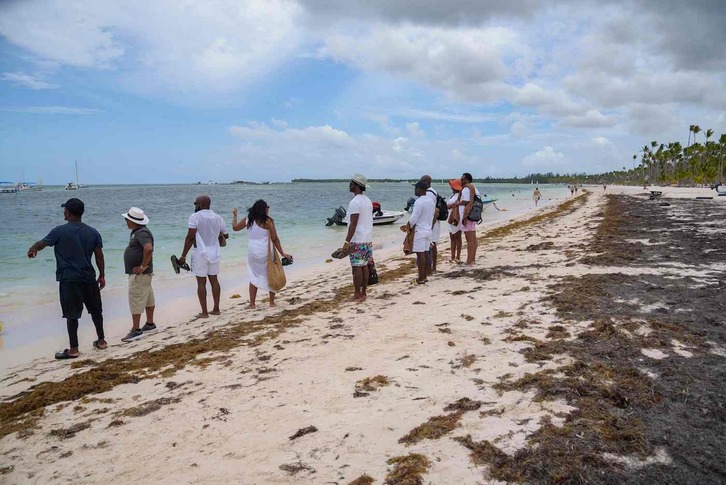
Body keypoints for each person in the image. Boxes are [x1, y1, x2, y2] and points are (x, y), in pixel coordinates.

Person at [27, 198, 107, 359]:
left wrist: (33, 249)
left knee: (72, 315)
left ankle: (74, 349)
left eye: (65, 210)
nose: (64, 212)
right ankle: (101, 341)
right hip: (89, 278)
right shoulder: (93, 232)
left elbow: (43, 243)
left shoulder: (59, 231)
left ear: (68, 213)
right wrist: (102, 275)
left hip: (69, 279)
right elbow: (99, 256)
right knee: (96, 311)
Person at [232, 200, 292, 309]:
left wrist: (235, 216)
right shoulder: (268, 221)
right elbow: (275, 239)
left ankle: (252, 303)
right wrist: (282, 253)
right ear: (264, 209)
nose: (268, 209)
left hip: (253, 252)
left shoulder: (248, 219)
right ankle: (272, 302)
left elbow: (235, 228)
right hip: (266, 251)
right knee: (271, 274)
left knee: (253, 276)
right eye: (267, 207)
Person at [178, 195, 228, 318]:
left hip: (200, 252)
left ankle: (204, 312)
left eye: (196, 203)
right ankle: (216, 309)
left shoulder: (195, 217)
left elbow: (190, 237)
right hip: (215, 252)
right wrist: (214, 234)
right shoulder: (218, 218)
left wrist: (183, 256)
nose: (195, 205)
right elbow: (226, 236)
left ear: (201, 204)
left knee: (201, 283)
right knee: (214, 280)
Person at [120, 207, 156, 342]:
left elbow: (148, 249)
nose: (126, 221)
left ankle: (136, 329)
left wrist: (142, 266)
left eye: (127, 219)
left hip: (140, 274)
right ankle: (150, 323)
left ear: (132, 221)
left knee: (136, 298)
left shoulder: (141, 233)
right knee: (147, 297)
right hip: (144, 274)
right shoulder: (139, 232)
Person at [343, 174, 374, 302]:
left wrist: (346, 241)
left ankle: (357, 294)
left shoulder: (354, 202)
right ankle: (364, 292)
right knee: (365, 266)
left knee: (356, 268)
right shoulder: (367, 200)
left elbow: (353, 224)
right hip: (367, 238)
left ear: (356, 186)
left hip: (357, 240)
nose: (349, 185)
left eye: (351, 183)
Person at [402, 181, 435, 284]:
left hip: (419, 231)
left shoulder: (419, 202)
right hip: (428, 230)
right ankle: (424, 276)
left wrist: (408, 226)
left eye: (415, 188)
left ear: (420, 189)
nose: (414, 190)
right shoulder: (430, 201)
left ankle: (421, 277)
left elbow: (414, 218)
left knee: (420, 255)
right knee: (425, 253)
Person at [458, 173, 480, 266]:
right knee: (473, 238)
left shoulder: (467, 188)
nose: (461, 181)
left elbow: (467, 201)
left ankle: (469, 261)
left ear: (467, 180)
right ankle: (473, 259)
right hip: (472, 215)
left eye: (462, 179)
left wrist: (457, 203)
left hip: (467, 216)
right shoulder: (474, 188)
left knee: (469, 239)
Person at [420, 175, 440, 275]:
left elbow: (432, 210)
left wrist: (430, 225)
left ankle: (431, 268)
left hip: (431, 223)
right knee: (432, 245)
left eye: (422, 181)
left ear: (427, 182)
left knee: (430, 245)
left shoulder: (429, 194)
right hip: (431, 223)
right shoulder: (432, 192)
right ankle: (431, 268)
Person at [447, 178, 463, 263]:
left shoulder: (459, 196)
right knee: (452, 237)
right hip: (451, 217)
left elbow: (453, 205)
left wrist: (450, 206)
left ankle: (457, 256)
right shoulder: (453, 195)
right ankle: (453, 256)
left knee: (457, 237)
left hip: (457, 217)